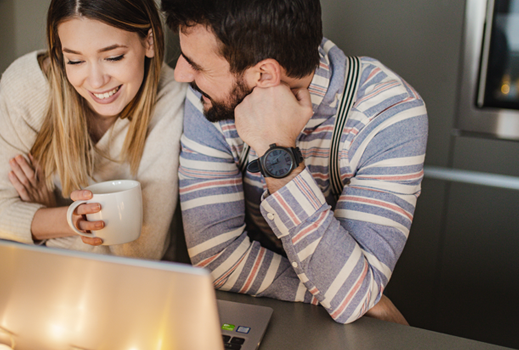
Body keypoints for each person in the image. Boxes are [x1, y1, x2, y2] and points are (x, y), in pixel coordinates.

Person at [162, 0, 427, 324]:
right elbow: (217, 257)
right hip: (262, 312)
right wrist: (342, 291)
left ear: (264, 74)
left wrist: (277, 151)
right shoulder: (208, 97)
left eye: (196, 65)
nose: (179, 74)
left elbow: (352, 295)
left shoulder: (390, 113)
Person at [0, 0, 186, 259]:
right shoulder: (25, 89)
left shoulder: (171, 98)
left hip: (141, 289)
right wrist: (71, 218)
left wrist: (47, 218)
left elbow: (138, 254)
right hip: (45, 280)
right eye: (75, 61)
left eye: (113, 57)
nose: (95, 81)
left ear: (150, 40)